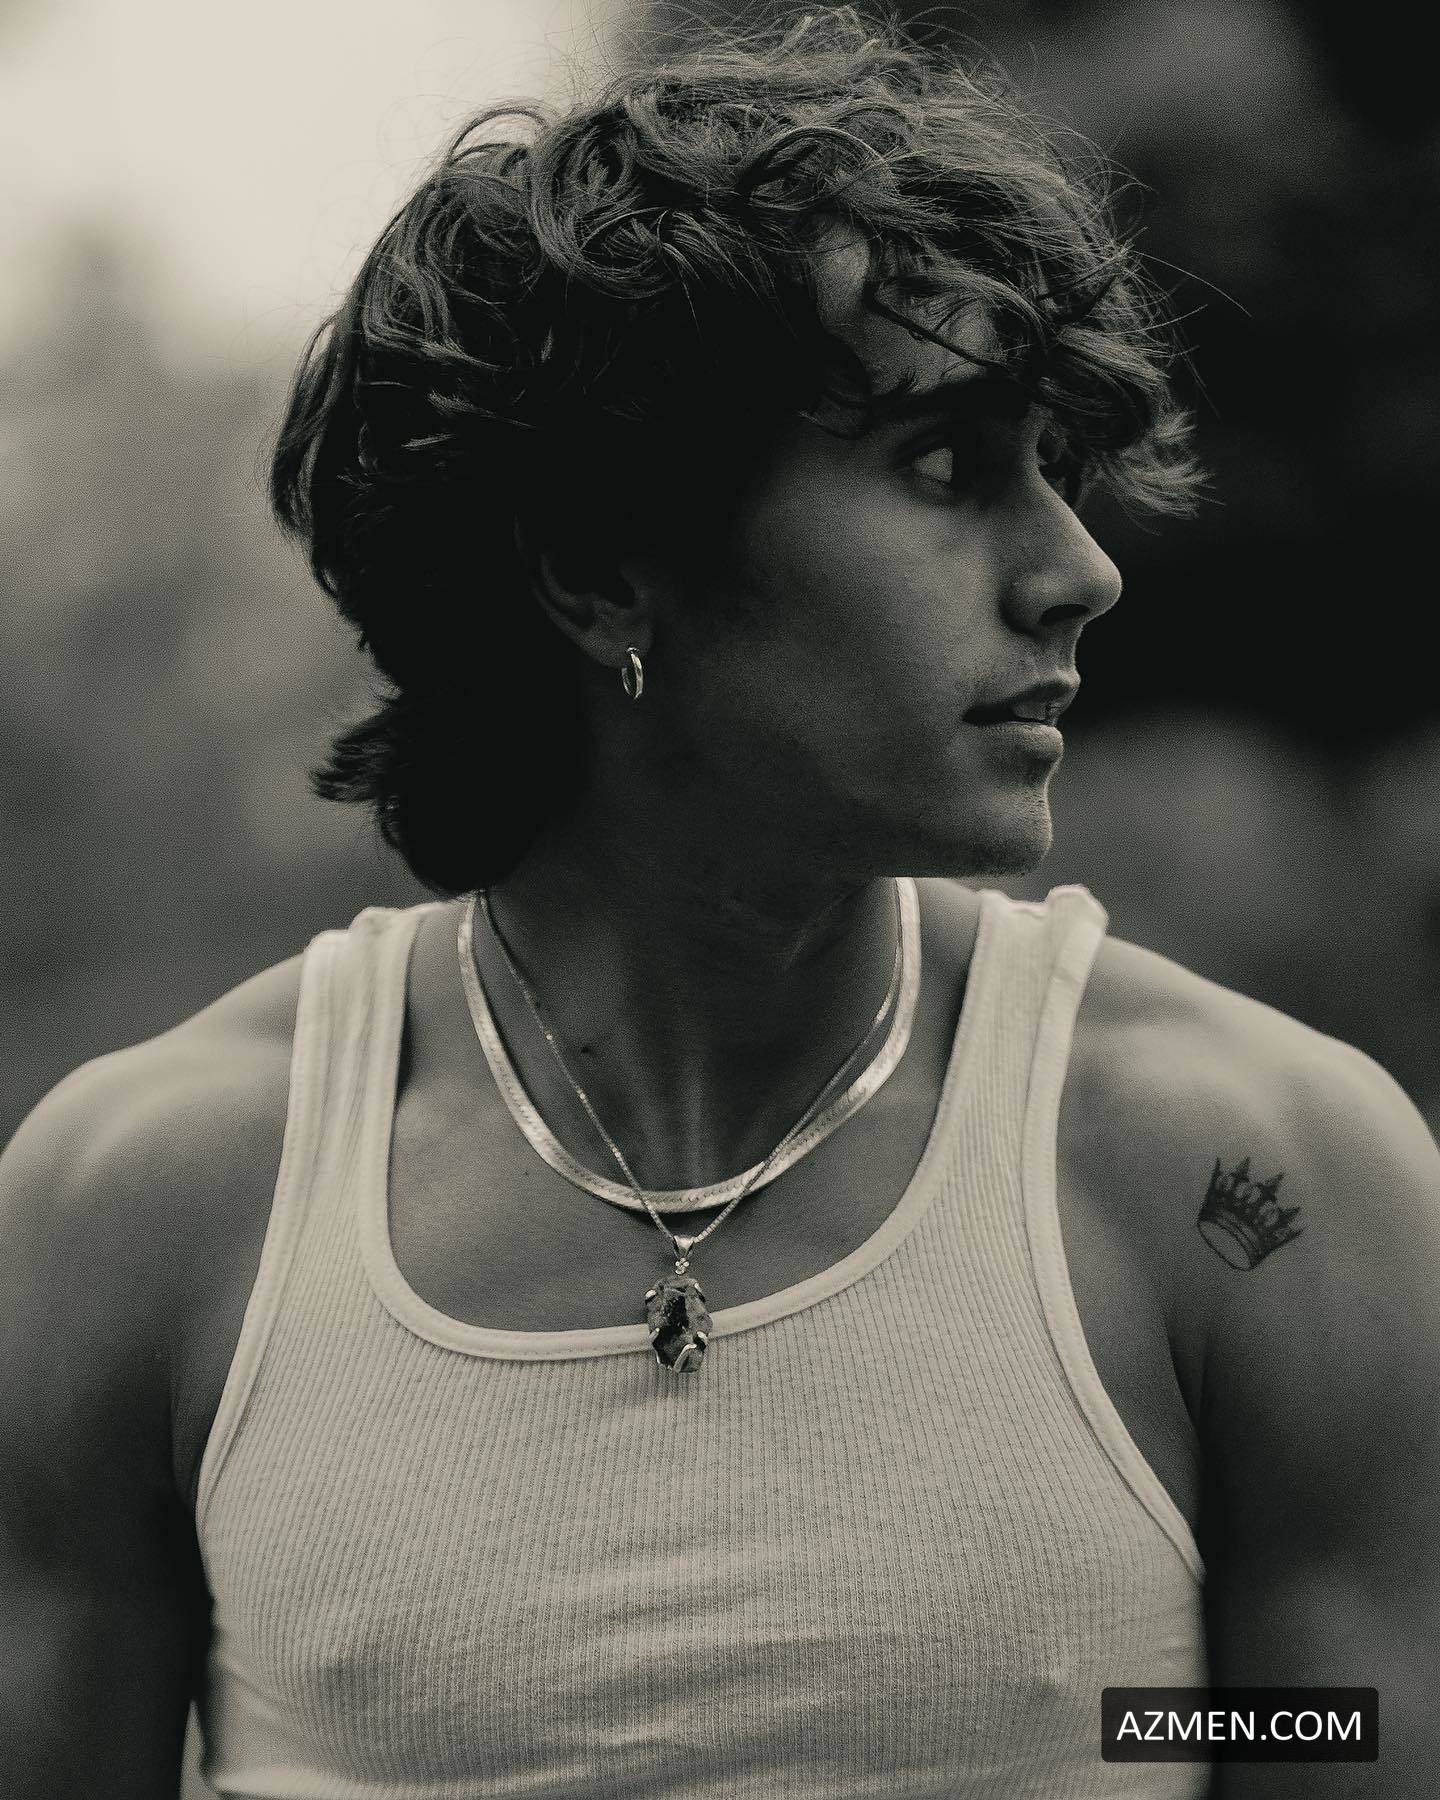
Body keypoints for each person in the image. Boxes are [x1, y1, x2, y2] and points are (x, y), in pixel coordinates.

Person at [2, 8, 1437, 1797]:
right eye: (947, 464)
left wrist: (1112, 1723)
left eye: (1054, 466)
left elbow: (1327, 1731)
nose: (1079, 569)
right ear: (601, 565)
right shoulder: (146, 1210)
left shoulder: (1255, 1184)